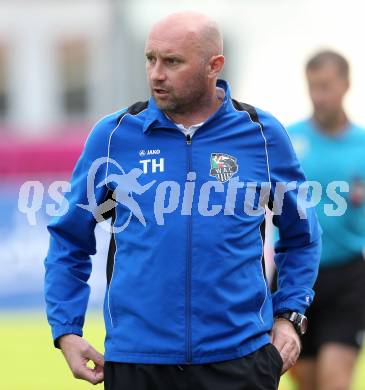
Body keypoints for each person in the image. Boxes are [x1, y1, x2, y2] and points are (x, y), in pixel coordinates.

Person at [44, 11, 321, 390]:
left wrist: (290, 314)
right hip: (138, 363)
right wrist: (66, 330)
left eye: (172, 61)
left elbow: (301, 234)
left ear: (214, 65)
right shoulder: (113, 137)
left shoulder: (262, 135)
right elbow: (69, 238)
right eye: (150, 59)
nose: (156, 73)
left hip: (240, 361)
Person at [288, 50, 365, 390]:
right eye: (312, 87)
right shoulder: (288, 140)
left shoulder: (361, 146)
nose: (318, 96)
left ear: (346, 86)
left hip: (348, 277)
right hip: (296, 278)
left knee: (335, 384)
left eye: (325, 87)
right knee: (308, 385)